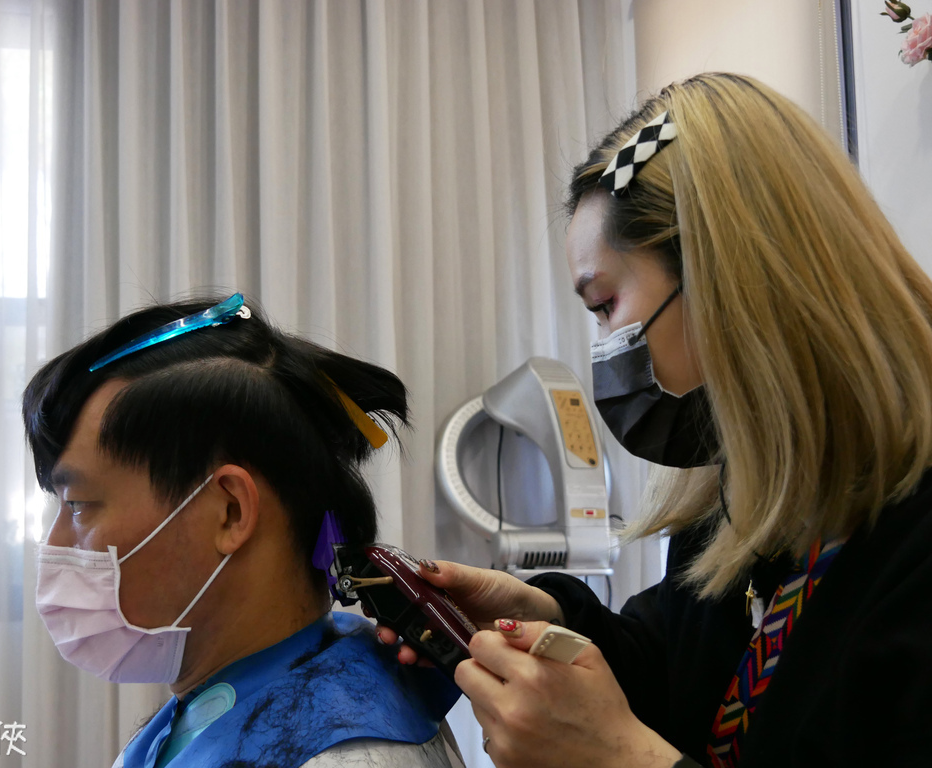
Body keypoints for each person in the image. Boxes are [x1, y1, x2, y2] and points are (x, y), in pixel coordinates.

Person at [381, 72, 932, 767]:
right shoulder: (745, 504)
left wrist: (616, 757)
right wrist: (545, 619)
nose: (604, 347)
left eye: (605, 306)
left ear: (720, 274)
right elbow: (680, 672)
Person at [22, 294, 463, 768]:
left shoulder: (348, 757)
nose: (55, 544)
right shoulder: (237, 692)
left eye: (78, 505)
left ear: (230, 511)